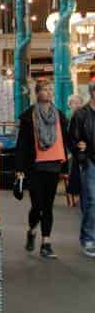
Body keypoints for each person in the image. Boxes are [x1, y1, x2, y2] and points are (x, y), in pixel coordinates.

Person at [15, 80, 70, 260]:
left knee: (48, 206)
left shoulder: (59, 116)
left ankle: (46, 243)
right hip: (35, 166)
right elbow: (22, 144)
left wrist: (66, 166)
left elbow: (65, 140)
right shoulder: (28, 116)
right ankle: (32, 230)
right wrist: (19, 169)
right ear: (37, 93)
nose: (49, 92)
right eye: (45, 89)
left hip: (53, 165)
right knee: (37, 205)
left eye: (50, 89)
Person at [69, 79, 95, 257]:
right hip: (90, 161)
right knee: (92, 201)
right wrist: (80, 151)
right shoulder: (81, 114)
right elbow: (72, 138)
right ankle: (88, 238)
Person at [66, 93, 84, 208]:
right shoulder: (69, 117)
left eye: (78, 102)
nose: (77, 105)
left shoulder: (85, 115)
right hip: (74, 151)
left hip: (83, 150)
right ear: (70, 105)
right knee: (75, 170)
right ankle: (76, 196)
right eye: (74, 103)